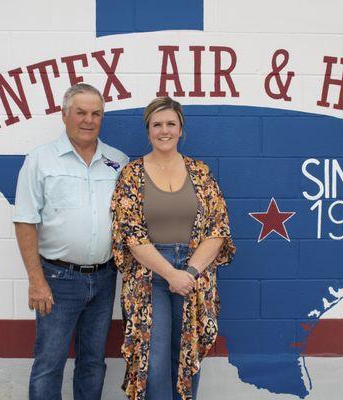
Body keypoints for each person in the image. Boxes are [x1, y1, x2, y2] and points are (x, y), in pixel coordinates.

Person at [111, 97, 236, 400]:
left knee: (187, 356)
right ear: (148, 130)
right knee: (152, 360)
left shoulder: (200, 172)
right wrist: (170, 273)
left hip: (193, 272)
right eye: (157, 125)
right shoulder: (132, 174)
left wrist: (189, 272)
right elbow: (131, 234)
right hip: (149, 275)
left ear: (181, 129)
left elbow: (218, 228)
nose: (164, 130)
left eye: (171, 124)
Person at [13, 83, 128, 400]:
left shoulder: (117, 161)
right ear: (65, 115)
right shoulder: (40, 160)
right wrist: (36, 281)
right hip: (57, 279)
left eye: (96, 113)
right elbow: (25, 221)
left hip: (104, 278)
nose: (89, 120)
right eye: (81, 112)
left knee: (93, 362)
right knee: (49, 363)